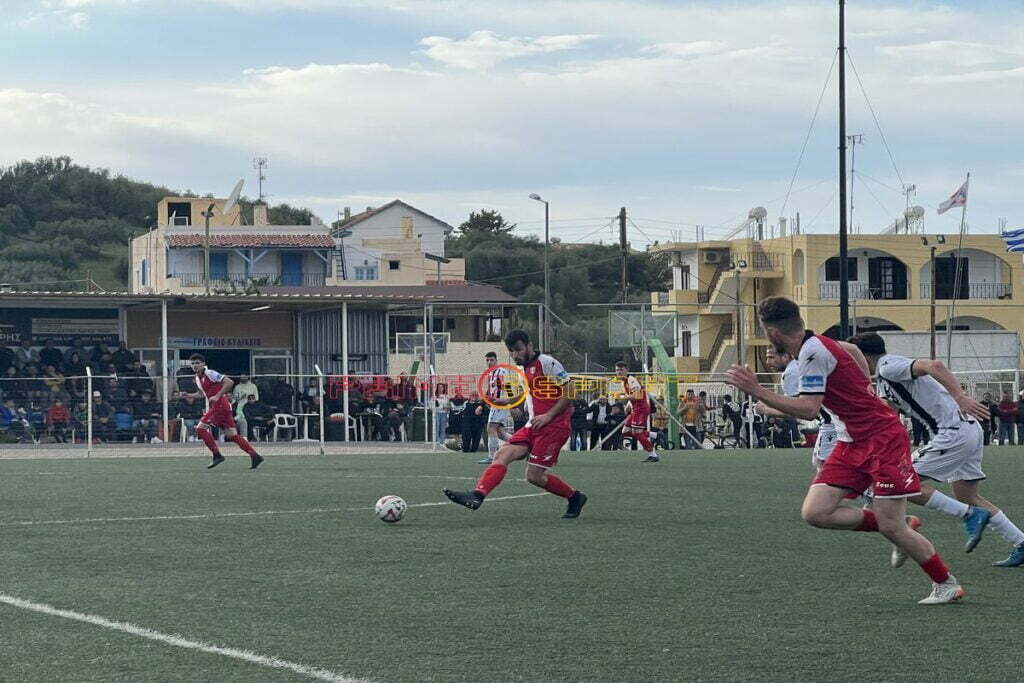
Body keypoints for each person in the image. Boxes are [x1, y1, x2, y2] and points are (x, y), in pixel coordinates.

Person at [725, 296, 968, 604]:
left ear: (773, 332)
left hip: (882, 439)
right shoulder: (817, 343)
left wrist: (756, 390)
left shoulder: (812, 352)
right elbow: (851, 350)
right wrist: (862, 385)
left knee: (890, 525)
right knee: (816, 512)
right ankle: (900, 525)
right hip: (851, 440)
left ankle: (946, 583)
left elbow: (809, 409)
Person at [851, 332, 1024, 568]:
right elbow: (888, 414)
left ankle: (969, 515)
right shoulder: (882, 379)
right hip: (966, 430)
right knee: (967, 496)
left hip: (954, 432)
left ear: (864, 356)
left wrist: (960, 396)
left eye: (852, 356)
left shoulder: (888, 365)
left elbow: (935, 366)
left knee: (903, 485)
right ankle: (1021, 542)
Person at [443, 329, 587, 519]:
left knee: (533, 476)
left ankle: (575, 497)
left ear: (529, 346)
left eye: (518, 349)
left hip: (554, 427)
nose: (515, 354)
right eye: (511, 351)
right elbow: (529, 390)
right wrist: (509, 401)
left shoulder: (547, 363)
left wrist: (548, 416)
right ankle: (477, 495)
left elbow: (571, 392)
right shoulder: (523, 369)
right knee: (502, 454)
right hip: (533, 425)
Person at [180, 354, 263, 469]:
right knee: (232, 435)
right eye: (193, 363)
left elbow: (229, 382)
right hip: (221, 407)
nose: (195, 366)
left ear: (203, 364)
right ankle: (255, 455)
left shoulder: (210, 373)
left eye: (197, 363)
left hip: (220, 407)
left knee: (200, 429)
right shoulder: (197, 378)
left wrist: (217, 396)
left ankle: (217, 455)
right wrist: (188, 395)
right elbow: (201, 394)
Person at [615, 361, 659, 462]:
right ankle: (654, 435)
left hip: (641, 409)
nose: (619, 372)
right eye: (617, 370)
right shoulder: (625, 381)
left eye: (621, 370)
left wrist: (623, 398)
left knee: (637, 433)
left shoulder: (631, 380)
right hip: (636, 409)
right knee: (625, 431)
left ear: (627, 370)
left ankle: (653, 455)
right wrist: (628, 405)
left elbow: (636, 396)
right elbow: (633, 395)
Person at [480, 351, 514, 465]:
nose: (489, 362)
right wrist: (483, 403)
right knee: (499, 433)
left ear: (496, 360)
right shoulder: (491, 373)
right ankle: (523, 444)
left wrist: (510, 402)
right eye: (487, 360)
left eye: (491, 360)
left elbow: (508, 386)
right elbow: (490, 390)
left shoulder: (501, 371)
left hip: (500, 403)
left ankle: (492, 457)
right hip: (494, 404)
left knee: (491, 427)